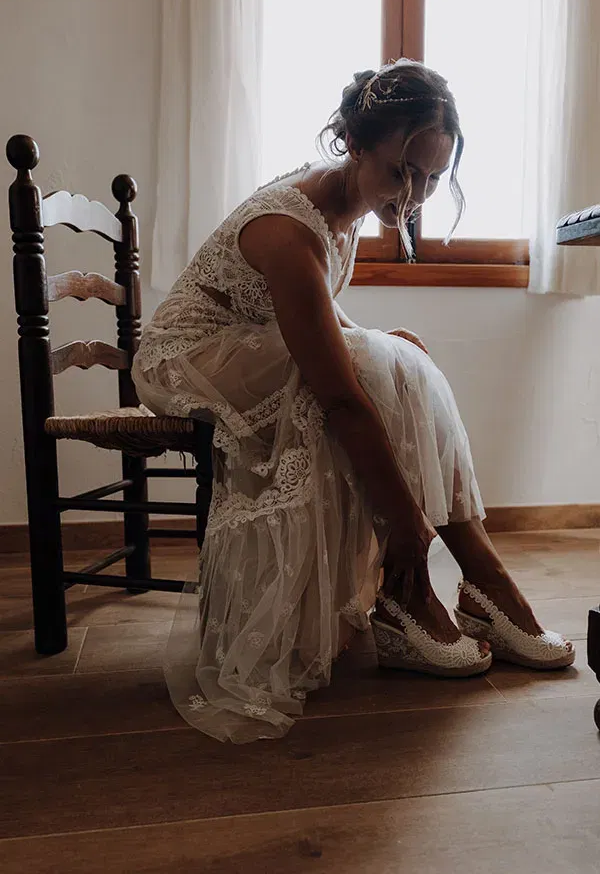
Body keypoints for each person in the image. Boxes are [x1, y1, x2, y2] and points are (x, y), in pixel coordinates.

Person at [132, 59, 574, 744]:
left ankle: (478, 580)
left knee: (403, 356)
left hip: (249, 344)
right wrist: (402, 520)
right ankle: (422, 587)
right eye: (403, 172)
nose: (416, 193)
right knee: (362, 374)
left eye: (433, 176)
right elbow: (336, 394)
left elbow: (304, 321)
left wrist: (379, 347)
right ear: (354, 144)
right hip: (188, 359)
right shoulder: (288, 226)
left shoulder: (350, 203)